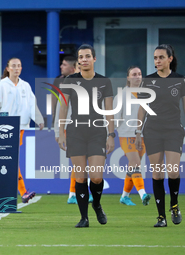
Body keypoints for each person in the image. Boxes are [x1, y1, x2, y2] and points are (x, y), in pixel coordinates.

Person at [59, 44, 115, 228]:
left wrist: (111, 134)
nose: (84, 60)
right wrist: (61, 132)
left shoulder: (104, 82)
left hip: (98, 132)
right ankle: (84, 218)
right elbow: (64, 107)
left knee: (97, 177)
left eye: (87, 56)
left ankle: (97, 204)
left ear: (94, 59)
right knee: (81, 177)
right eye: (81, 57)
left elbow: (109, 110)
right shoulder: (69, 80)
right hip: (75, 131)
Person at [135, 44, 184, 227]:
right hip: (152, 130)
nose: (157, 61)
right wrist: (138, 131)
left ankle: (175, 205)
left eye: (161, 57)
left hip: (173, 129)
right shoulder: (148, 81)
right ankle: (161, 217)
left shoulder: (180, 80)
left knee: (172, 171)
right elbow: (142, 108)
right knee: (157, 174)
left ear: (170, 59)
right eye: (155, 58)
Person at [0, 57, 44, 203]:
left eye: (19, 66)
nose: (16, 68)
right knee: (9, 160)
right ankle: (21, 191)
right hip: (4, 128)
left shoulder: (25, 86)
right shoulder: (1, 86)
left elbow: (32, 104)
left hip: (20, 127)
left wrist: (39, 119)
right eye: (13, 66)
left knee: (10, 160)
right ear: (8, 68)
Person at [53, 60, 94, 205]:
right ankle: (73, 193)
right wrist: (58, 132)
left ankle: (76, 193)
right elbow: (60, 110)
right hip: (71, 128)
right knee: (79, 163)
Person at [114, 66, 151, 206]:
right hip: (126, 134)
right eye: (134, 74)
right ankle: (143, 194)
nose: (137, 76)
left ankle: (124, 196)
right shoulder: (122, 95)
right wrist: (111, 133)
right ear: (128, 78)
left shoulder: (146, 94)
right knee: (136, 164)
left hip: (142, 135)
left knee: (133, 166)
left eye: (140, 74)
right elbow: (115, 117)